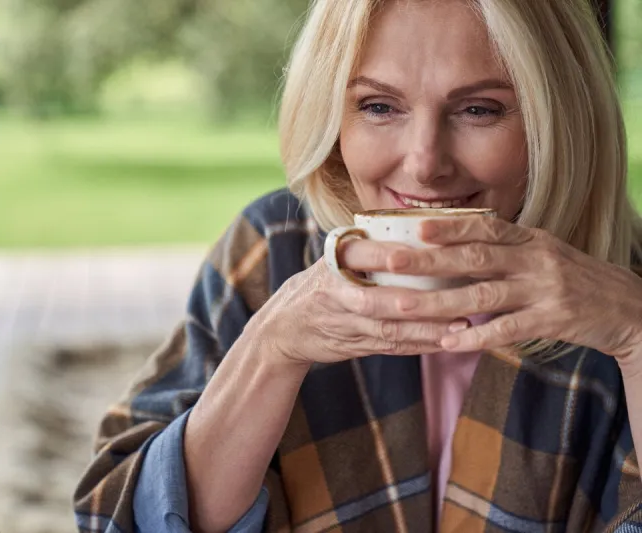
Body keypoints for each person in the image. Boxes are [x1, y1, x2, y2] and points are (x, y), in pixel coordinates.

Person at [74, 0, 642, 531]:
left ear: (561, 116)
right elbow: (121, 512)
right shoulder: (275, 245)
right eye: (379, 106)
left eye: (479, 109)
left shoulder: (622, 288)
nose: (424, 165)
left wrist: (636, 336)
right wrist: (274, 349)